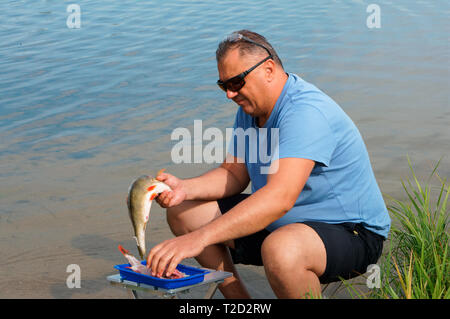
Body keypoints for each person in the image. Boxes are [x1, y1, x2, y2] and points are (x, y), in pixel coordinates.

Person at [146, 30, 391, 299]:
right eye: (223, 85)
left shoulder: (304, 112)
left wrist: (199, 239)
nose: (229, 94)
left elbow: (279, 198)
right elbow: (233, 174)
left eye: (236, 82)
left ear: (269, 70)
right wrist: (184, 188)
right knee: (184, 211)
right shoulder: (249, 110)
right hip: (283, 224)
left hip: (350, 232)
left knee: (281, 249)